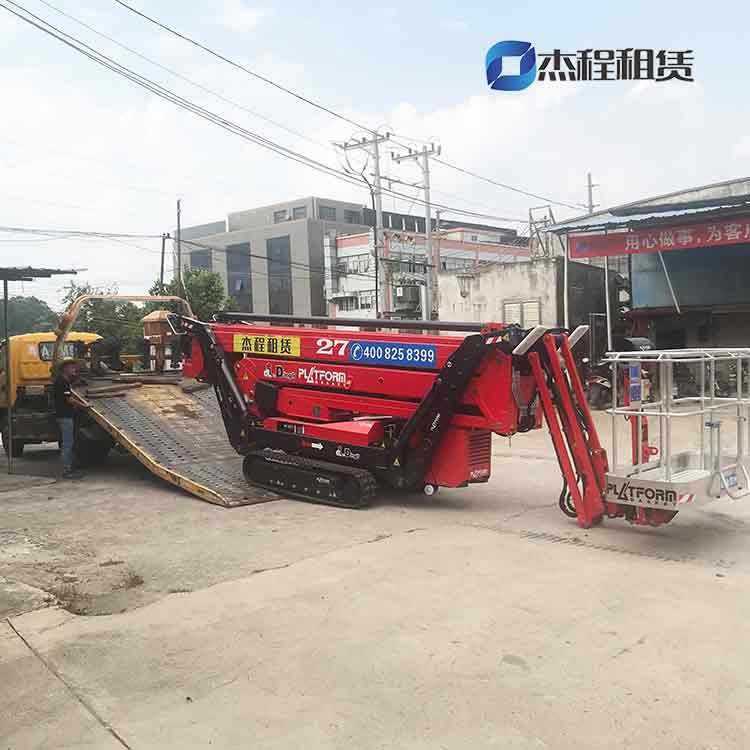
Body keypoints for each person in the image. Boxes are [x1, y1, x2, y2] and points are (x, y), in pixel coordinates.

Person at [54, 358, 83, 479]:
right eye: (71, 367)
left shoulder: (65, 380)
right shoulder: (62, 381)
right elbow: (69, 399)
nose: (74, 369)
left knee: (69, 442)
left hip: (66, 415)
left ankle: (70, 467)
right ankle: (67, 470)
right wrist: (84, 405)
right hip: (65, 417)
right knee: (67, 444)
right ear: (65, 369)